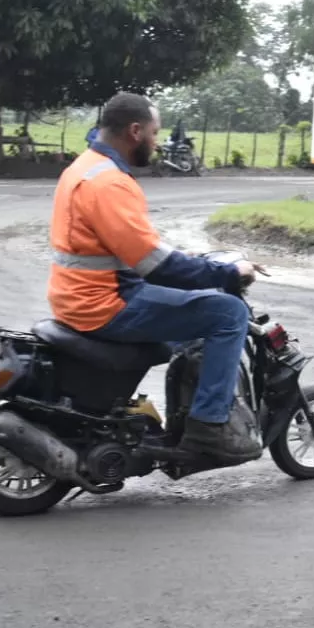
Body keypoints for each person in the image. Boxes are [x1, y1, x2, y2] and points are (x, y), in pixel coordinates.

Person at [48, 92, 261, 462]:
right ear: (135, 131)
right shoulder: (110, 182)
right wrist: (227, 273)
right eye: (155, 132)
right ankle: (208, 426)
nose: (158, 141)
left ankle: (165, 416)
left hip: (76, 296)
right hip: (106, 303)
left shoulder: (85, 166)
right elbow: (157, 266)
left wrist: (184, 257)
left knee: (190, 322)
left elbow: (126, 245)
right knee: (228, 314)